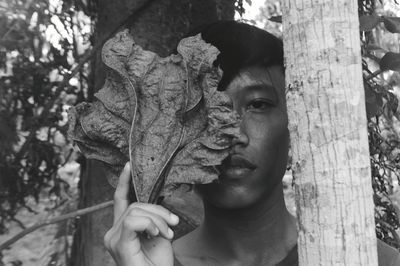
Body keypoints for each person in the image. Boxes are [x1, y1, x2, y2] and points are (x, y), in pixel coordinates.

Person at [103, 21, 400, 266]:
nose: (233, 134)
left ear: (296, 125)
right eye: (204, 109)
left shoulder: (369, 260)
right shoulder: (145, 262)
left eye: (257, 104)